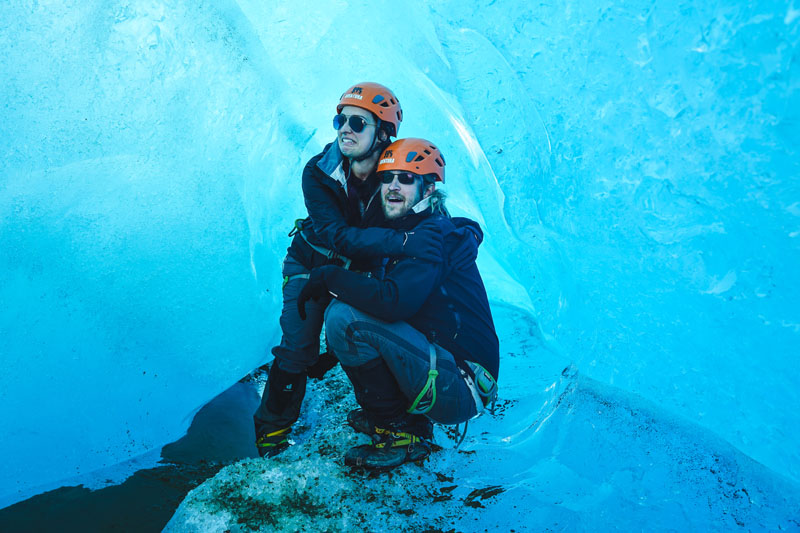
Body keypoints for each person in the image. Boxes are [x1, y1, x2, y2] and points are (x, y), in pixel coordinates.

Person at [253, 84, 444, 457]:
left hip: (362, 270)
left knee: (384, 332)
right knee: (296, 350)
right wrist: (401, 245)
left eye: (357, 122)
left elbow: (426, 209)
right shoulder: (318, 172)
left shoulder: (394, 177)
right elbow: (335, 236)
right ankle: (271, 433)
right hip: (309, 264)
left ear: (384, 133)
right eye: (340, 119)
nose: (345, 129)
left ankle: (398, 419)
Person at [297, 138, 500, 469]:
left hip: (461, 384)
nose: (392, 186)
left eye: (406, 179)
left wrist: (329, 278)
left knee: (344, 319)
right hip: (449, 369)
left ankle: (401, 434)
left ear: (428, 188)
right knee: (356, 309)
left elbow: (393, 304)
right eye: (387, 178)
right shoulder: (415, 230)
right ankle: (401, 419)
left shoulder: (432, 236)